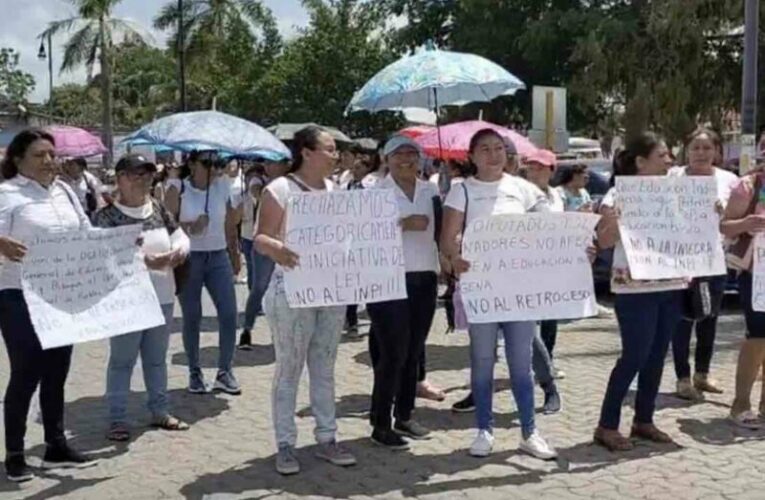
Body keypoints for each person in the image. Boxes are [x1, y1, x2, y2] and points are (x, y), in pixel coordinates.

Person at [441, 128, 557, 460]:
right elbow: (447, 238)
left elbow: (551, 230)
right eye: (484, 149)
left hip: (519, 290)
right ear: (472, 156)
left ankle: (529, 432)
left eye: (498, 148)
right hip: (482, 290)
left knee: (521, 365)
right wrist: (454, 258)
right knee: (482, 362)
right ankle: (484, 430)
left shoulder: (524, 189)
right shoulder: (461, 192)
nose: (493, 154)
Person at [255, 126, 356, 475]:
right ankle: (285, 443)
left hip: (331, 290)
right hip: (293, 291)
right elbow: (260, 239)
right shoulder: (280, 189)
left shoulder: (336, 190)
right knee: (289, 368)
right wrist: (278, 249)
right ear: (307, 153)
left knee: (324, 365)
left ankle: (327, 437)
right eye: (329, 149)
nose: (335, 155)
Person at [0, 129, 97, 482]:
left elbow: (86, 232)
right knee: (26, 372)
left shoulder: (65, 191)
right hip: (17, 294)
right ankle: (14, 453)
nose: (49, 162)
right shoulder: (6, 194)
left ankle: (56, 445)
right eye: (40, 155)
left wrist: (121, 241)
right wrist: (1, 243)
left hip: (61, 294)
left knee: (57, 370)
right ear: (17, 159)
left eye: (51, 155)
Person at [594, 132, 687, 451]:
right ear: (640, 162)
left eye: (669, 155)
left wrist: (709, 212)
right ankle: (607, 425)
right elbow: (604, 241)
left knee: (657, 356)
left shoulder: (677, 193)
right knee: (634, 355)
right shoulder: (617, 195)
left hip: (671, 285)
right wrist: (622, 220)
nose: (669, 161)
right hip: (634, 289)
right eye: (662, 155)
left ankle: (643, 421)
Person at [93, 154, 191, 441]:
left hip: (161, 296)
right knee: (122, 361)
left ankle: (160, 411)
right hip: (126, 302)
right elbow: (97, 259)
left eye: (148, 174)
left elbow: (179, 234)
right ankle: (117, 418)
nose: (143, 179)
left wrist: (179, 250)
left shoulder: (158, 208)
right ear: (120, 178)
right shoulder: (105, 217)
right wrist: (143, 261)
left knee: (156, 359)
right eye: (136, 174)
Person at [365, 135, 440, 449]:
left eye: (412, 154)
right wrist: (401, 223)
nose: (406, 160)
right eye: (399, 155)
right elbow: (361, 234)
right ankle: (380, 422)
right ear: (387, 159)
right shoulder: (374, 193)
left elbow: (443, 230)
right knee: (393, 353)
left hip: (425, 276)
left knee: (414, 350)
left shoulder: (431, 190)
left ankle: (405, 414)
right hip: (388, 280)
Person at [669, 128, 739, 401]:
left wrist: (725, 212)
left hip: (713, 258)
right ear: (687, 151)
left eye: (707, 148)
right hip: (679, 259)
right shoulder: (672, 177)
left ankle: (703, 373)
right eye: (696, 148)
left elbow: (737, 217)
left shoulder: (729, 180)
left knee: (709, 317)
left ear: (717, 152)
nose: (701, 153)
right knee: (682, 319)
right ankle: (682, 378)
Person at [165, 151, 242, 395]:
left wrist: (235, 253)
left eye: (216, 164)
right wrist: (190, 226)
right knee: (192, 316)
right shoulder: (179, 188)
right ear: (192, 164)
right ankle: (194, 371)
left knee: (229, 313)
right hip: (190, 258)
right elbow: (165, 224)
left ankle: (225, 371)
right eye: (206, 164)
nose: (213, 170)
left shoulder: (222, 186)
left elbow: (230, 223)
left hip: (218, 256)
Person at [722, 163, 765, 428]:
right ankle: (741, 404)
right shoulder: (749, 186)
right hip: (757, 273)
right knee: (758, 336)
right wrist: (746, 223)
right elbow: (724, 226)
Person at [238, 159, 289, 349]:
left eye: (274, 163)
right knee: (259, 286)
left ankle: (282, 333)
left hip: (286, 243)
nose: (268, 166)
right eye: (267, 163)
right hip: (264, 243)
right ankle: (247, 329)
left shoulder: (292, 184)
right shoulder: (259, 181)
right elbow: (256, 193)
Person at [342, 156, 375, 338]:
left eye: (358, 168)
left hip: (367, 241)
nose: (354, 171)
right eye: (353, 168)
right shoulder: (349, 186)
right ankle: (352, 319)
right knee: (352, 282)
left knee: (369, 282)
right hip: (351, 240)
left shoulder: (371, 187)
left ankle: (373, 317)